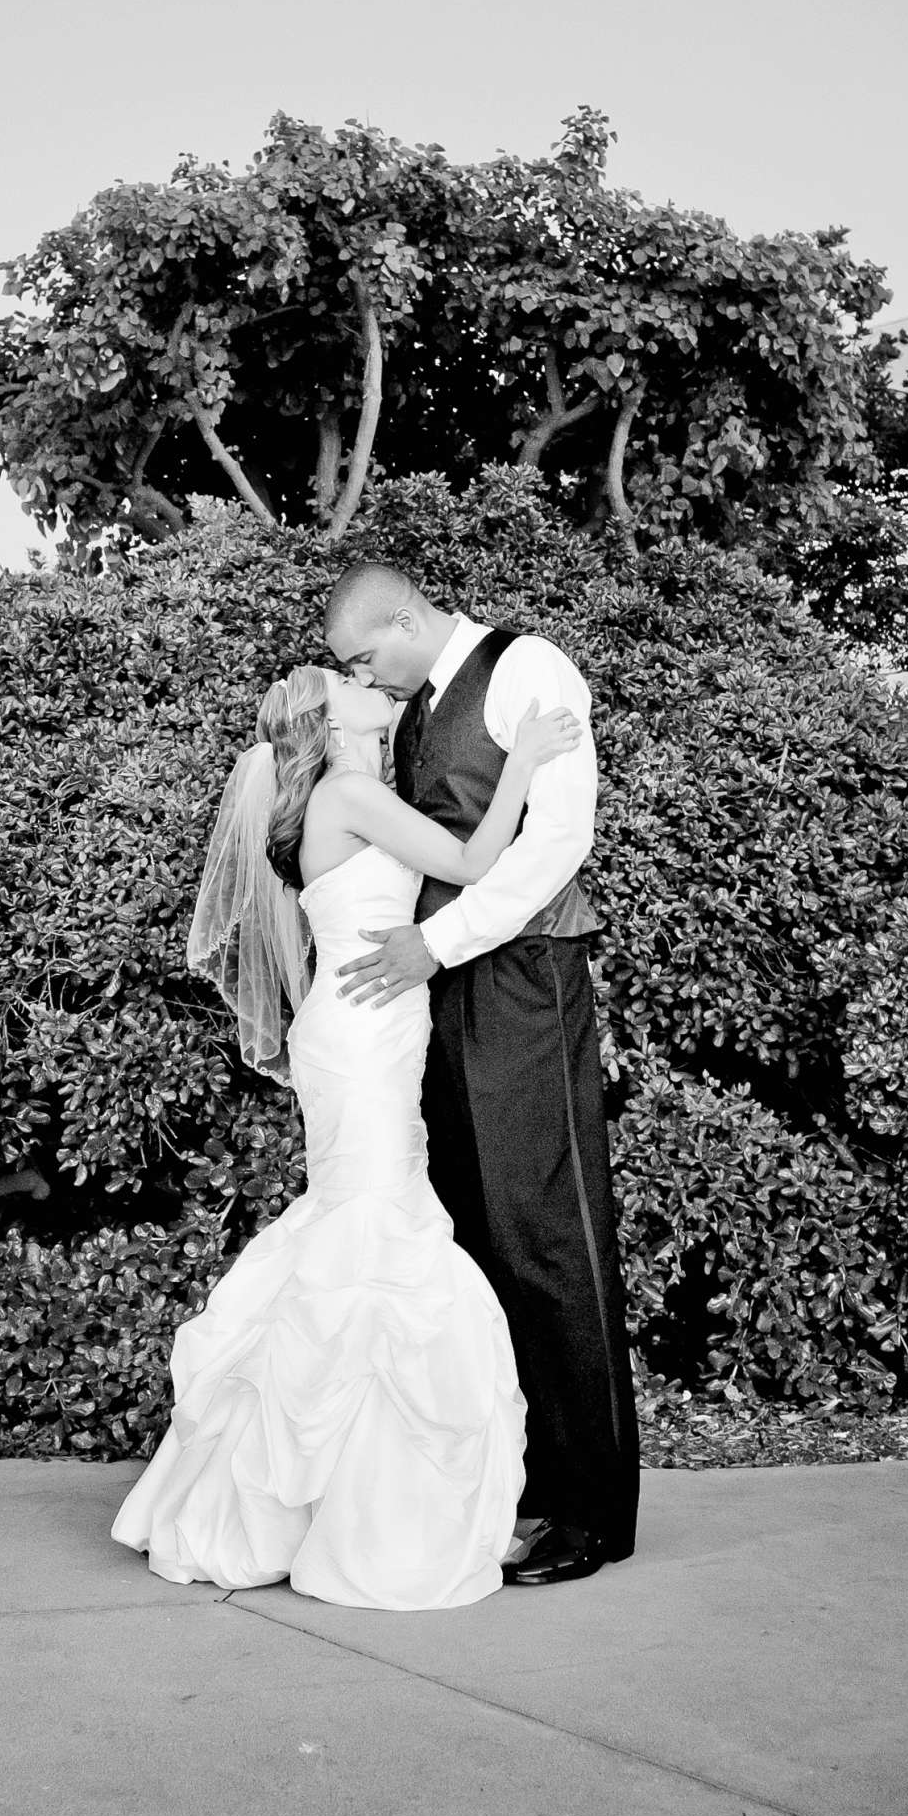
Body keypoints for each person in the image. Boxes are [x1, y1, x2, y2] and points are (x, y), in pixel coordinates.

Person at [111, 664, 580, 1609]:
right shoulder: (352, 792)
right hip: (363, 1033)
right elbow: (473, 865)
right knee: (372, 1232)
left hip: (367, 1022)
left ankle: (323, 1492)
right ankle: (357, 1504)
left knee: (363, 1227)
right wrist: (525, 760)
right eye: (351, 679)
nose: (371, 682)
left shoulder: (353, 790)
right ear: (331, 720)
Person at [325, 562, 640, 1587]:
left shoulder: (528, 666)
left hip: (524, 975)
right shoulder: (409, 713)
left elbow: (558, 839)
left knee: (546, 1229)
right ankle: (521, 1485)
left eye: (364, 656)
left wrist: (439, 943)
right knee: (479, 1235)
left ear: (405, 620)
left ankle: (589, 1509)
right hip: (444, 989)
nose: (361, 677)